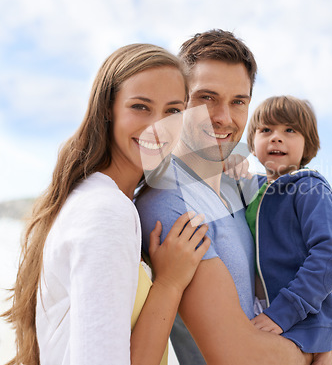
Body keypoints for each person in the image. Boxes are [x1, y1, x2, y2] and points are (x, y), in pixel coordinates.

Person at [2, 43, 210, 365]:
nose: (159, 125)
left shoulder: (94, 198)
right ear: (107, 110)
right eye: (141, 106)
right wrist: (169, 283)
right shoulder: (107, 211)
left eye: (173, 111)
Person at [136, 30, 312, 365]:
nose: (223, 117)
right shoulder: (168, 203)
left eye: (238, 102)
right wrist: (311, 349)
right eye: (206, 98)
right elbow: (237, 355)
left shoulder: (236, 187)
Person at [245, 96, 332, 365]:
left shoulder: (309, 188)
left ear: (307, 145)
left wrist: (284, 312)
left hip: (302, 322)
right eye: (266, 130)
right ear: (252, 145)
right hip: (262, 311)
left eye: (289, 130)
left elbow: (331, 253)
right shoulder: (251, 190)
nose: (276, 138)